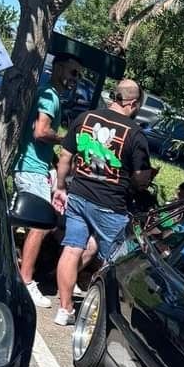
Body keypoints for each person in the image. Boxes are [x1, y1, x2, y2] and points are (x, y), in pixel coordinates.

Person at [52, 79, 154, 326]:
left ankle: (64, 309)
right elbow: (140, 178)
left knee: (72, 249)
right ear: (132, 103)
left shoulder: (86, 118)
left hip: (78, 195)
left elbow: (65, 156)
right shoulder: (135, 133)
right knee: (119, 262)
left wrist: (61, 187)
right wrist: (144, 178)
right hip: (110, 205)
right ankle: (106, 316)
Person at [13, 52, 83, 308]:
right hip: (31, 169)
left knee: (33, 223)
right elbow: (41, 131)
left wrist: (55, 161)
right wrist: (65, 140)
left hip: (33, 166)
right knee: (40, 226)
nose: (75, 79)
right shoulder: (50, 96)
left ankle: (17, 268)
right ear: (60, 68)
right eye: (73, 73)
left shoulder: (48, 93)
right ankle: (26, 280)